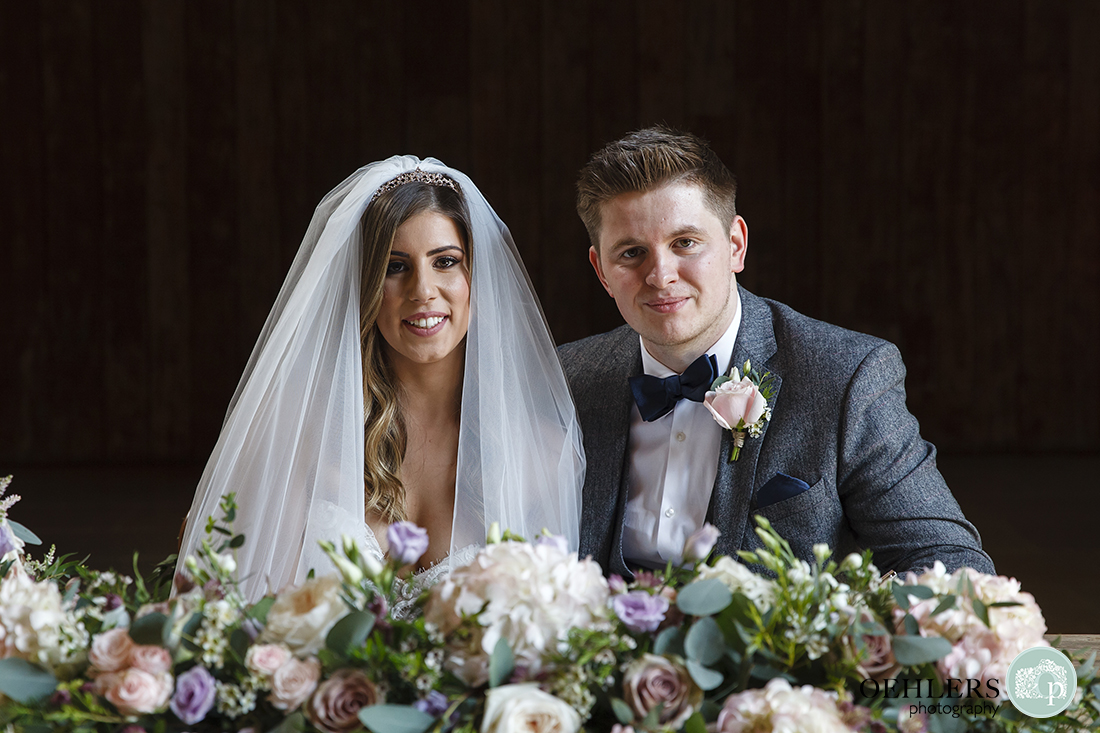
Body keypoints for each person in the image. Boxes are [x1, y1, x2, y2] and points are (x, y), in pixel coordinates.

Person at [558, 127, 993, 579]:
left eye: (685, 242)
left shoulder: (845, 377)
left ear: (735, 244)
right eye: (631, 253)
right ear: (602, 271)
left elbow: (952, 564)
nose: (661, 275)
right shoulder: (565, 379)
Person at [178, 157, 585, 602]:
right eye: (395, 267)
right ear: (365, 283)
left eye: (445, 261)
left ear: (478, 277)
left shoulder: (542, 454)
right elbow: (217, 597)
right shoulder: (298, 433)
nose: (422, 290)